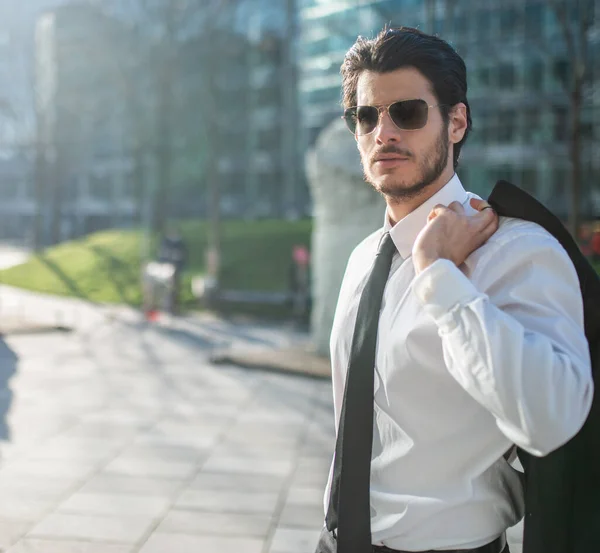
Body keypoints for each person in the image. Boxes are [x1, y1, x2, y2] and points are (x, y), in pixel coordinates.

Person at [316, 27, 593, 553]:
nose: (384, 132)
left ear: (457, 121)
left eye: (408, 112)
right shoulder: (362, 259)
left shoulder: (518, 252)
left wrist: (437, 273)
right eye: (367, 116)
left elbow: (552, 418)